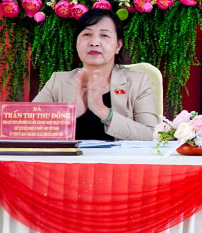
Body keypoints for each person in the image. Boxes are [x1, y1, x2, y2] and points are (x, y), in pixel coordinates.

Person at [34, 8, 158, 141]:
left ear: (118, 45)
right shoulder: (58, 81)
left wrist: (103, 111)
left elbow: (152, 135)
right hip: (71, 155)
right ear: (76, 43)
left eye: (104, 35)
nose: (94, 42)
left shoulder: (137, 82)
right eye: (87, 34)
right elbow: (28, 128)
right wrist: (71, 114)